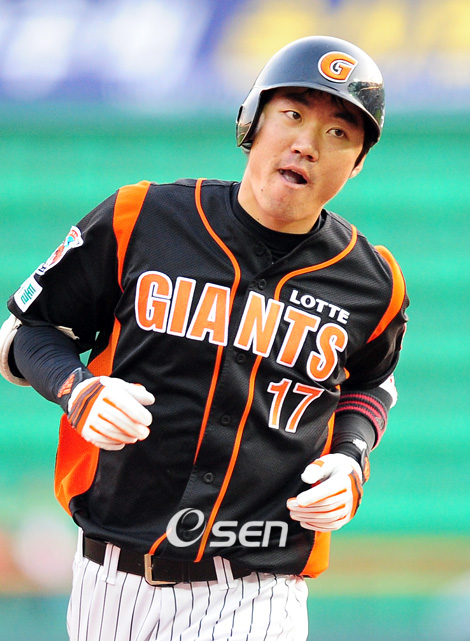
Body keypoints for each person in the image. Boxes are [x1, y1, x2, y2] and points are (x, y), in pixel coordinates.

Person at [0, 35, 408, 641]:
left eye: (338, 133)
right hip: (109, 580)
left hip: (257, 590)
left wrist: (350, 457)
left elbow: (372, 384)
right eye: (292, 115)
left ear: (357, 165)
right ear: (251, 122)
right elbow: (25, 333)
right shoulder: (141, 218)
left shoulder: (372, 283)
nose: (307, 143)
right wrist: (78, 389)